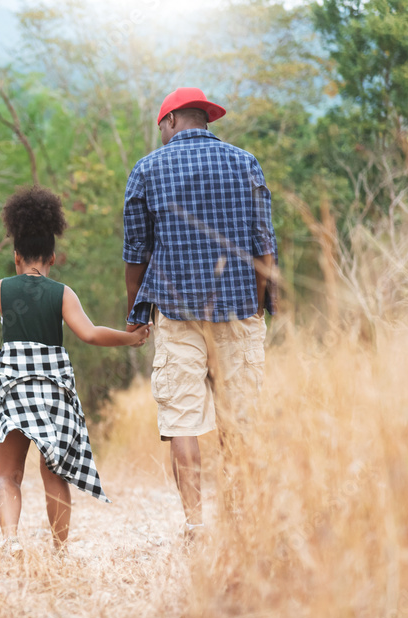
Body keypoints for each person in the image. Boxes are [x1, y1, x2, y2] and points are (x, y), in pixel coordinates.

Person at [0, 185, 149, 553]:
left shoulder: (2, 289)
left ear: (16, 256)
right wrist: (130, 338)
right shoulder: (62, 293)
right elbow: (90, 334)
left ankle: (10, 541)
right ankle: (59, 550)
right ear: (52, 258)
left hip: (13, 390)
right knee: (55, 475)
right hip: (53, 395)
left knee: (7, 475)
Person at [122, 87, 278, 539]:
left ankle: (195, 525)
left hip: (176, 315)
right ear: (203, 118)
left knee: (182, 421)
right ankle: (240, 522)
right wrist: (259, 305)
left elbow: (136, 255)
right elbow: (264, 246)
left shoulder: (147, 169)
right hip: (240, 309)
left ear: (170, 120)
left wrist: (135, 314)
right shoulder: (245, 162)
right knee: (239, 419)